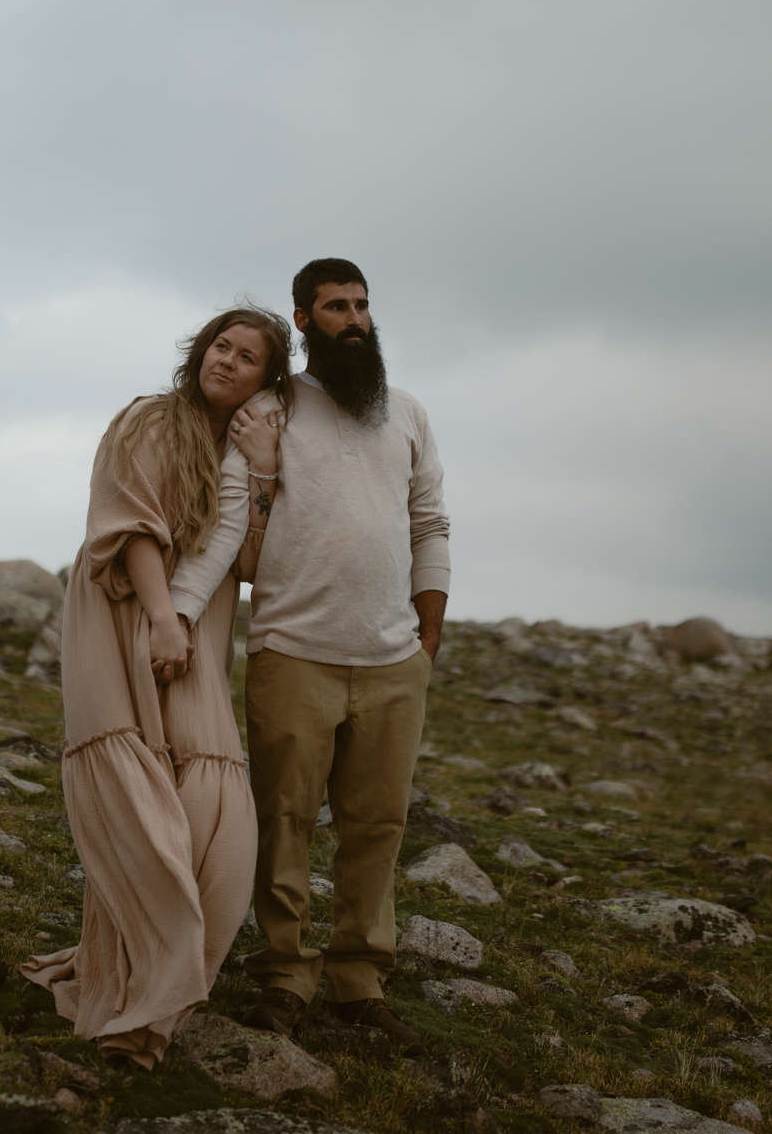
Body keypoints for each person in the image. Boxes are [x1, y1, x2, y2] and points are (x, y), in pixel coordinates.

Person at [168, 258, 450, 1057]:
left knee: (377, 825)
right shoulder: (269, 410)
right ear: (302, 319)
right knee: (282, 820)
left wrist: (427, 641)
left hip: (394, 660)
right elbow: (239, 538)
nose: (354, 318)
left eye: (362, 304)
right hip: (294, 651)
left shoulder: (407, 414)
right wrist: (180, 612)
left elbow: (431, 525)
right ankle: (284, 976)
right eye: (336, 306)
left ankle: (361, 982)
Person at [20, 304, 294, 1070]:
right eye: (220, 345)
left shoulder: (243, 446)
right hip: (122, 607)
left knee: (214, 809)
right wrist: (159, 620)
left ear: (265, 381)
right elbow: (131, 527)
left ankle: (158, 989)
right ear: (199, 350)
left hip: (196, 619)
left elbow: (252, 563)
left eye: (247, 358)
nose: (227, 361)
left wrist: (266, 465)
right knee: (138, 797)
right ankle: (135, 1013)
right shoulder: (150, 420)